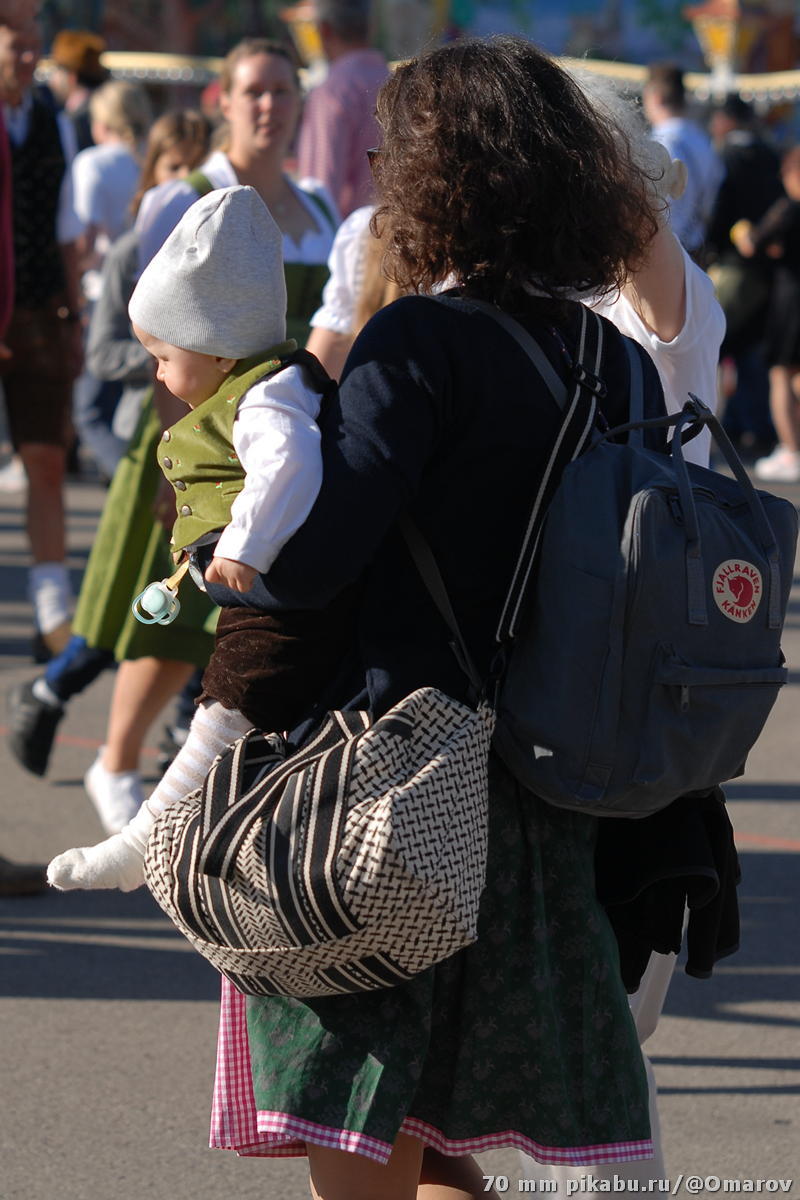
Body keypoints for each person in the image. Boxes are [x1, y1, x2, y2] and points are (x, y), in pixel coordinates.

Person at [52, 37, 671, 1194]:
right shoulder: (609, 360)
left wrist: (215, 509)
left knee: (364, 1144)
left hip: (387, 789)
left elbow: (312, 565)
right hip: (545, 797)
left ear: (437, 176)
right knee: (444, 1139)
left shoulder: (418, 342)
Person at [9, 40, 338, 833]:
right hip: (189, 444)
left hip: (270, 440)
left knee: (216, 628)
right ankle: (114, 764)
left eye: (282, 91)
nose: (268, 105)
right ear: (222, 99)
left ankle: (116, 743)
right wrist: (178, 467)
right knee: (167, 620)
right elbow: (163, 336)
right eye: (252, 91)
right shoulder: (187, 196)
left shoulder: (321, 206)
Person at [0, 6, 84, 661]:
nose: (28, 58)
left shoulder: (53, 118)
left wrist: (75, 313)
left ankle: (53, 613)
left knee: (47, 460)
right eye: (15, 44)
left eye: (34, 46)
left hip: (38, 310)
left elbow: (68, 226)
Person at [70, 78, 153, 478]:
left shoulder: (93, 163)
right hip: (150, 285)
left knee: (89, 409)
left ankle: (129, 480)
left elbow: (84, 232)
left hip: (103, 287)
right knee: (127, 401)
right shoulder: (148, 159)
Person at [705, 93, 782, 458]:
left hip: (733, 266)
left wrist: (713, 249)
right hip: (769, 268)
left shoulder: (725, 157)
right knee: (752, 349)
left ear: (724, 121)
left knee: (720, 341)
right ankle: (749, 422)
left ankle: (734, 423)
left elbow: (718, 211)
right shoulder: (771, 155)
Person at [733, 145, 800, 483]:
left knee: (780, 376)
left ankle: (791, 449)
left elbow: (754, 243)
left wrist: (742, 232)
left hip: (791, 301)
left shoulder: (790, 208)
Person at [295, 0, 388, 219]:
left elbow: (320, 190)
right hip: (396, 235)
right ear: (371, 26)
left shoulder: (332, 92)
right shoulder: (398, 84)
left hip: (351, 239)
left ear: (324, 30)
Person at [642, 62, 722, 264]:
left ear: (655, 97)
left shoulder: (660, 143)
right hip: (696, 251)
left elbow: (654, 205)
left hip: (663, 254)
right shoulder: (703, 140)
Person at [47, 28, 109, 152]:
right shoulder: (109, 113)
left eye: (56, 70)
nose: (51, 80)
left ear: (71, 77)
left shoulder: (71, 120)